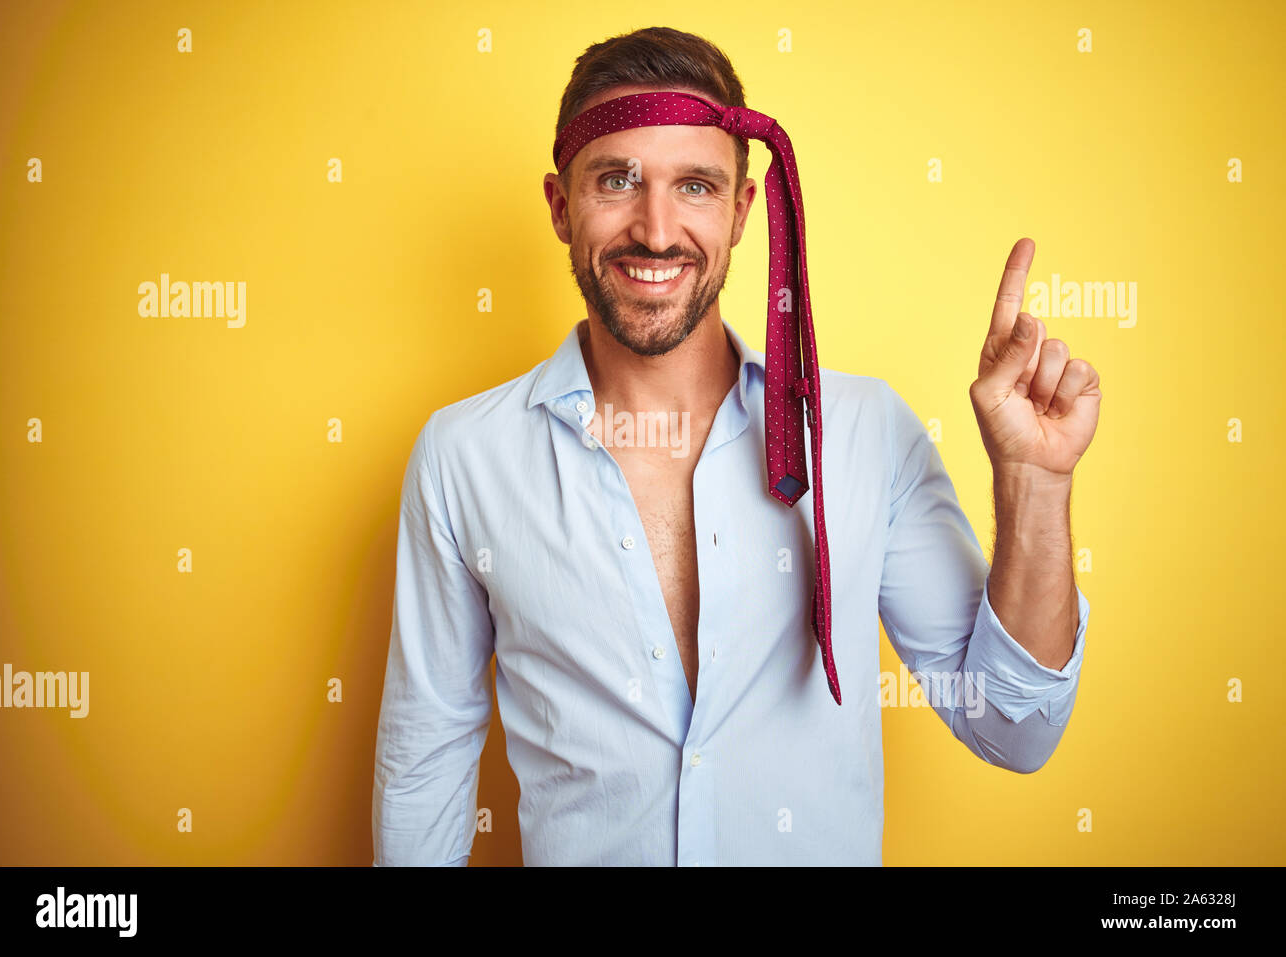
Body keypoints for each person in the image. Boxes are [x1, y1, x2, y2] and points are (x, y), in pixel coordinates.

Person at [372, 26, 1100, 866]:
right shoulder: (464, 459)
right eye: (617, 181)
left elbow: (1013, 728)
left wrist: (1034, 483)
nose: (655, 229)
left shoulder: (866, 436)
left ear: (744, 209)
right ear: (561, 206)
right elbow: (425, 766)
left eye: (696, 186)